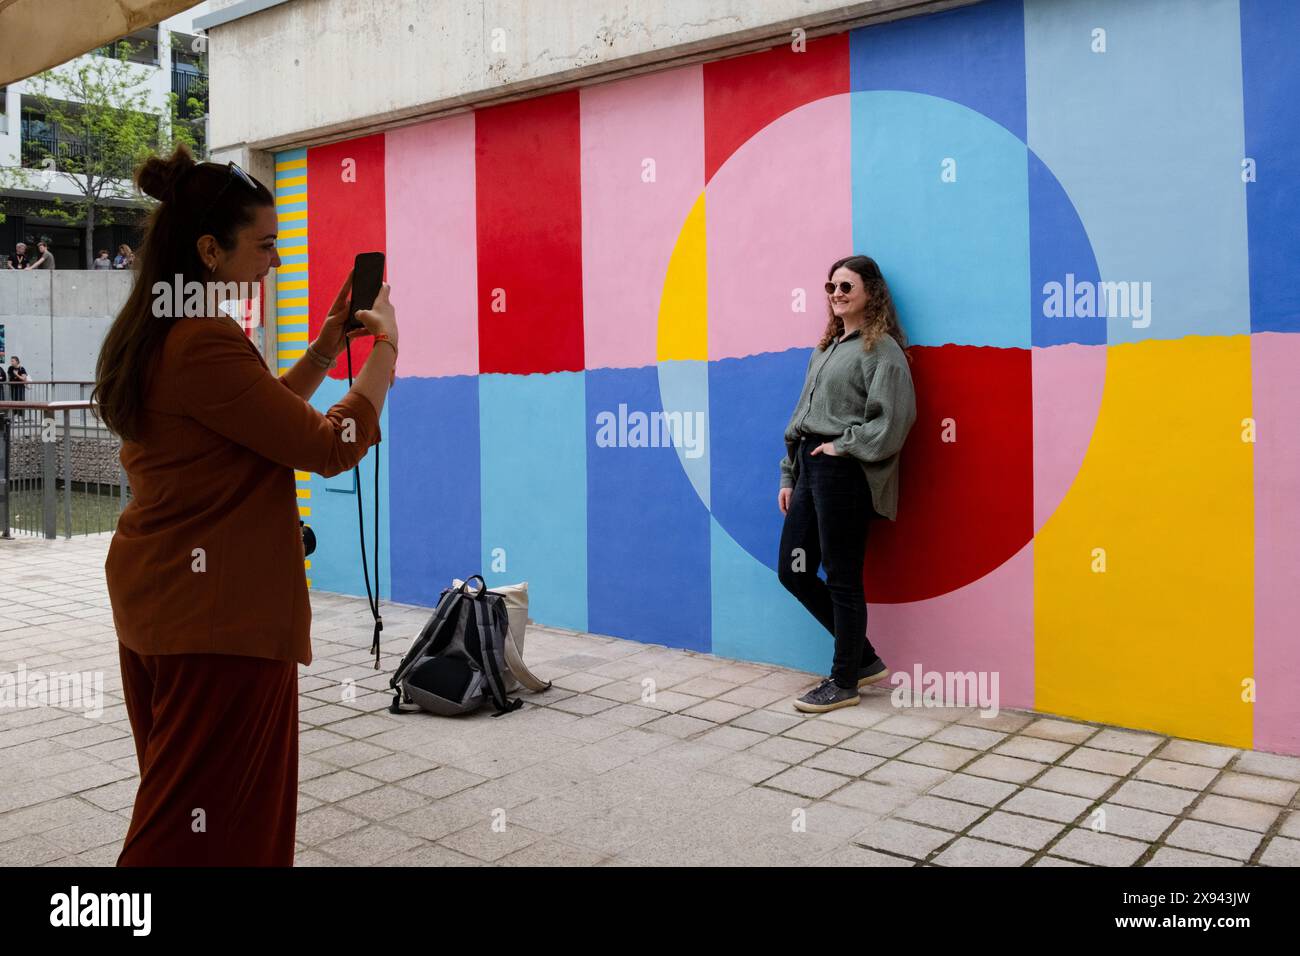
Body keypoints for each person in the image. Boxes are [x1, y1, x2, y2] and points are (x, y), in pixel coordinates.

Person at [94, 142, 400, 866]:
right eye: (264, 246)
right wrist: (386, 351)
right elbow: (325, 446)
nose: (277, 262)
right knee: (188, 830)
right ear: (209, 249)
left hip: (163, 603)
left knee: (202, 815)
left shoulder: (160, 332)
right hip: (218, 620)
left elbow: (257, 421)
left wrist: (327, 347)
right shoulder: (203, 342)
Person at [777, 255, 917, 714]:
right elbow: (801, 418)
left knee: (842, 577)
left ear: (871, 293)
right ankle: (864, 659)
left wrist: (844, 446)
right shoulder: (828, 348)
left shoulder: (883, 351)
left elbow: (894, 420)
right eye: (831, 287)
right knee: (794, 571)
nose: (836, 294)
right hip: (810, 468)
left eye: (846, 287)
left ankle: (845, 681)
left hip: (845, 472)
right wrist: (789, 474)